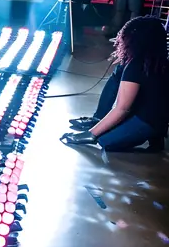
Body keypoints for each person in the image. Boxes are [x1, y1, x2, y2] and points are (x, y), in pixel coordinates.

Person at [61, 15, 169, 152]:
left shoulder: (136, 65)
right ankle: (99, 119)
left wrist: (91, 134)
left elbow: (123, 108)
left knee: (105, 141)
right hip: (157, 119)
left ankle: (149, 135)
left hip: (146, 122)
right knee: (119, 71)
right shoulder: (158, 61)